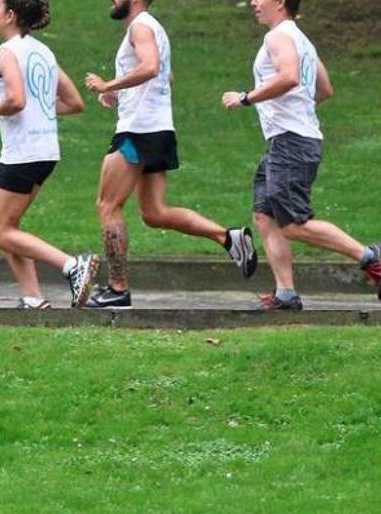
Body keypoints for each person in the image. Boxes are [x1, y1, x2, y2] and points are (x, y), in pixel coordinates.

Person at [83, 0, 257, 309]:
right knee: (154, 213)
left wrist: (108, 83)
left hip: (138, 130)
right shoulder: (154, 29)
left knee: (107, 205)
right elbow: (166, 76)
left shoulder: (140, 26)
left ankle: (118, 288)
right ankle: (227, 237)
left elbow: (150, 67)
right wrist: (120, 93)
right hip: (159, 129)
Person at [220, 0, 381, 311]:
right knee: (265, 216)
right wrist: (294, 111)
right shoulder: (301, 40)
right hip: (287, 142)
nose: (254, 3)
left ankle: (370, 256)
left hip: (292, 144)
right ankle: (286, 293)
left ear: (281, 3)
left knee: (293, 223)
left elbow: (289, 77)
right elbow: (324, 89)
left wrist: (247, 98)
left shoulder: (278, 37)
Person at [0, 0, 99, 309]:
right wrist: (39, 110)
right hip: (45, 152)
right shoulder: (43, 52)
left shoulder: (7, 52)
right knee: (9, 227)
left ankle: (72, 265)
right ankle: (33, 297)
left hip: (22, 154)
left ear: (10, 16)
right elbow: (74, 103)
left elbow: (15, 99)